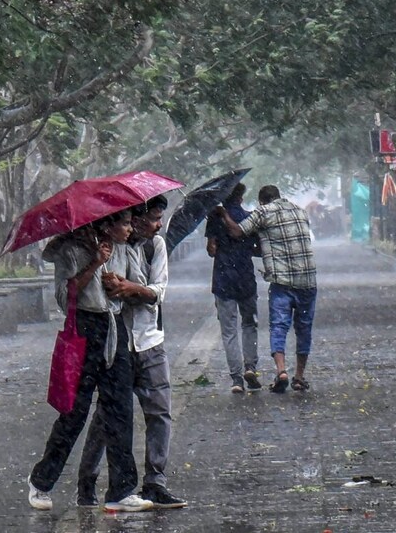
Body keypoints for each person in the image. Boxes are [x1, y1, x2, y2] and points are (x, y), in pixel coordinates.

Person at [27, 210, 154, 513]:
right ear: (106, 225)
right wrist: (95, 263)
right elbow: (66, 297)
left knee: (120, 409)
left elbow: (138, 289)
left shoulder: (124, 249)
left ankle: (121, 490)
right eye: (124, 223)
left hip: (114, 328)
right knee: (74, 413)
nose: (130, 229)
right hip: (84, 330)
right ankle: (41, 481)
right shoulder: (70, 250)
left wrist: (121, 286)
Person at [78, 195, 188, 509]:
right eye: (153, 218)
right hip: (117, 344)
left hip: (151, 341)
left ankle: (155, 482)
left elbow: (158, 291)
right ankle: (87, 480)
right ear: (135, 219)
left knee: (160, 413)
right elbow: (99, 293)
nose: (158, 225)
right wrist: (116, 285)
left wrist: (132, 289)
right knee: (107, 416)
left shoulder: (156, 246)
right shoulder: (109, 247)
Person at [216, 185, 317, 393]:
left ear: (262, 201)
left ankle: (281, 371)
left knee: (279, 326)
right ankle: (299, 376)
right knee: (304, 328)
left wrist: (223, 214)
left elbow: (237, 231)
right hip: (308, 281)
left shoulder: (263, 212)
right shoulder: (300, 211)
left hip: (282, 282)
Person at [204, 183, 261, 393]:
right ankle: (250, 367)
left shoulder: (214, 219)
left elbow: (211, 250)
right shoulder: (250, 217)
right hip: (246, 278)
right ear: (241, 198)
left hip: (223, 280)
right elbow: (258, 249)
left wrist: (219, 242)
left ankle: (237, 379)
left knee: (229, 331)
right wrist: (244, 249)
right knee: (249, 325)